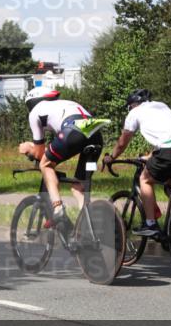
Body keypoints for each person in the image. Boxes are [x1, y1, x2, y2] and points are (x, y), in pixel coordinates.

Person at [102, 89, 171, 237]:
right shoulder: (161, 106)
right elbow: (167, 135)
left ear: (132, 105)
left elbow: (122, 143)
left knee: (144, 179)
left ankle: (150, 224)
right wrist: (150, 156)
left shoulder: (134, 112)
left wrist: (111, 157)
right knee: (169, 185)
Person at [16, 86, 109, 232]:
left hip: (73, 130)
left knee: (45, 165)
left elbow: (40, 154)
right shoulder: (65, 104)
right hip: (95, 133)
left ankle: (58, 208)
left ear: (32, 102)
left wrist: (29, 148)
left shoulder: (35, 112)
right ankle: (88, 229)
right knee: (78, 187)